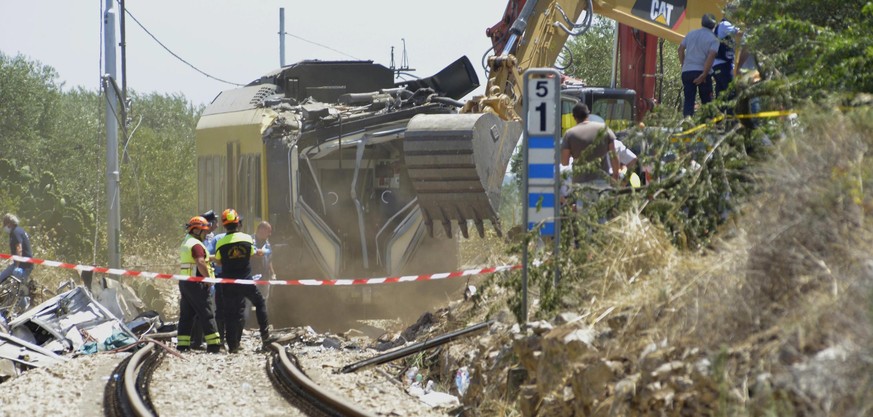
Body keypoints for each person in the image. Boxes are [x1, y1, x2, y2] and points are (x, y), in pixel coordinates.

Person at [215, 209, 271, 353]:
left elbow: (219, 262)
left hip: (228, 283)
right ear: (238, 224)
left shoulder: (220, 243)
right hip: (245, 281)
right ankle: (265, 336)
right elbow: (253, 254)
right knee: (258, 303)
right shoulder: (247, 239)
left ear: (224, 225)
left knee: (230, 313)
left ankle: (232, 345)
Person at [177, 216, 222, 353]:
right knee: (206, 313)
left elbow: (197, 259)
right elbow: (200, 262)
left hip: (186, 283)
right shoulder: (196, 245)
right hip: (197, 284)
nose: (206, 234)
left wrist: (213, 258)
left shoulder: (187, 242)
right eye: (204, 231)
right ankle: (214, 345)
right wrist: (208, 279)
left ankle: (183, 345)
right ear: (196, 230)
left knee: (187, 315)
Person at [678, 13, 720, 117]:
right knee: (707, 102)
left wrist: (684, 64)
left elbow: (680, 49)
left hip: (687, 72)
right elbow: (711, 56)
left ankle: (687, 125)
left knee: (689, 101)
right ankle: (708, 126)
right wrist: (704, 74)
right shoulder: (714, 39)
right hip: (701, 71)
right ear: (714, 25)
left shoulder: (691, 34)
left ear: (702, 22)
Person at [1, 214, 33, 310]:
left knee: (17, 290)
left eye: (5, 224)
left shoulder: (15, 232)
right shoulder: (19, 231)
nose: (5, 227)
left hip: (24, 266)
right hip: (19, 264)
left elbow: (19, 248)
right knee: (2, 277)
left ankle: (25, 309)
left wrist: (17, 266)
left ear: (9, 223)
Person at [712, 16, 739, 100]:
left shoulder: (721, 26)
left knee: (721, 95)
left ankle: (720, 112)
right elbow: (739, 32)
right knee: (732, 93)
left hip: (718, 66)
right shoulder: (725, 24)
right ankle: (730, 113)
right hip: (723, 65)